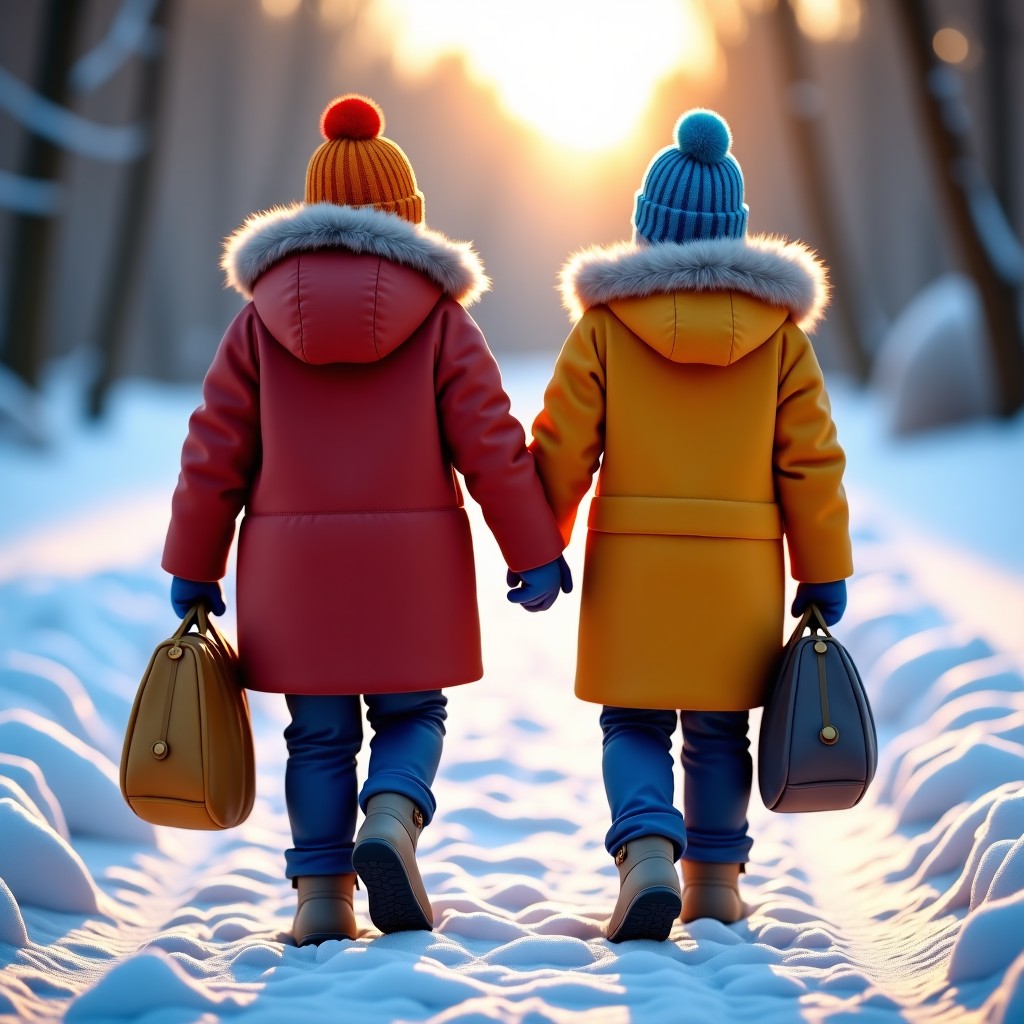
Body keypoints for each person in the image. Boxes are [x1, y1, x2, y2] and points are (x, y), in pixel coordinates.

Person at [162, 94, 571, 945]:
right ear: (407, 218)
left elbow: (215, 450)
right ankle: (390, 814)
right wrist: (533, 552)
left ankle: (320, 900)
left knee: (315, 736)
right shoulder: (440, 318)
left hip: (293, 571)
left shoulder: (257, 322)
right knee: (413, 715)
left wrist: (194, 562)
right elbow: (492, 444)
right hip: (410, 568)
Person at [527, 108, 852, 942]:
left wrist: (541, 542)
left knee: (631, 721)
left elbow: (563, 443)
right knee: (719, 728)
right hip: (735, 572)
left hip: (633, 566)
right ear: (733, 231)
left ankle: (643, 848)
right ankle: (714, 883)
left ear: (647, 225)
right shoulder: (780, 336)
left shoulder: (604, 327)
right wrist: (823, 567)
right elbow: (809, 459)